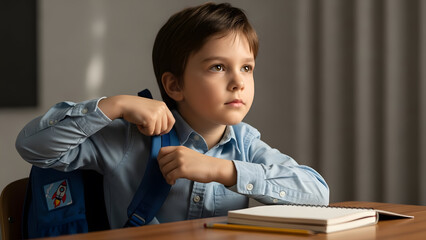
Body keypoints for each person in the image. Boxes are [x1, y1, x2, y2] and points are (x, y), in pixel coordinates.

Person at [16, 2, 329, 229]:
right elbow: (33, 146)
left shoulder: (244, 143)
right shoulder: (130, 136)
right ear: (175, 85)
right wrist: (114, 105)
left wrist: (222, 170)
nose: (239, 82)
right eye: (218, 67)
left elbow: (317, 193)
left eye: (247, 67)